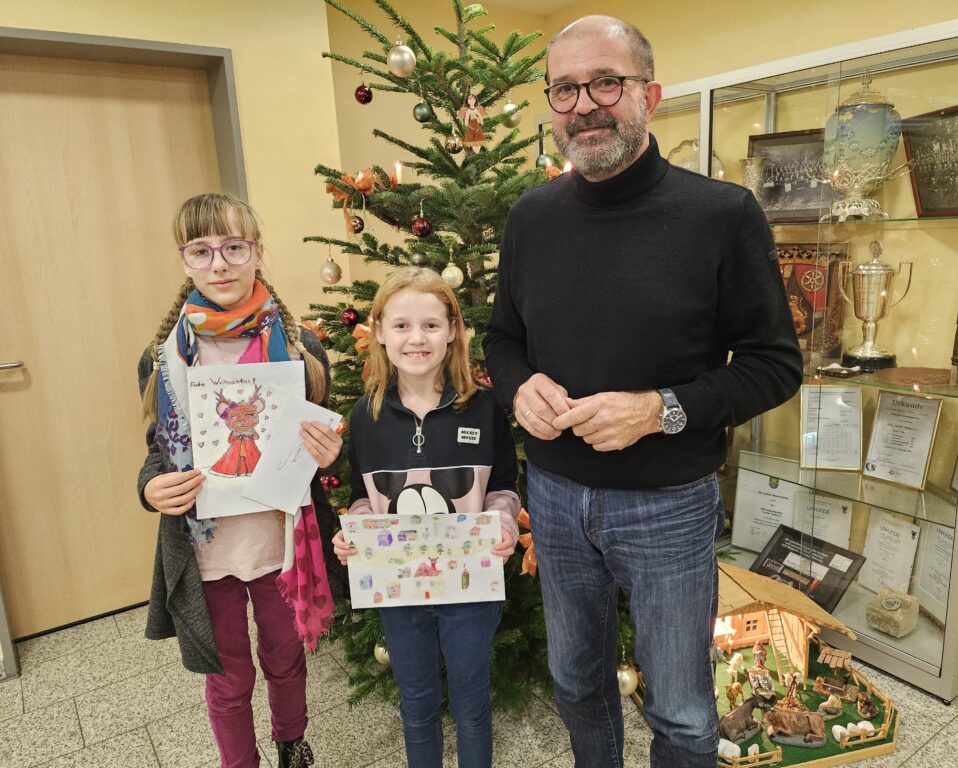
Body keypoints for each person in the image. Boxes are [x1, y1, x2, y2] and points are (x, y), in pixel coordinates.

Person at [483, 15, 802, 768]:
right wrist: (518, 386)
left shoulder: (722, 216)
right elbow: (502, 341)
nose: (584, 105)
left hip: (671, 504)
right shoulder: (530, 218)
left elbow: (774, 363)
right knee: (575, 682)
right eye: (565, 88)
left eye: (606, 82)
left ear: (650, 95)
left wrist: (661, 410)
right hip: (556, 499)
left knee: (684, 712)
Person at [137, 193, 348, 768]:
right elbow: (156, 454)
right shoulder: (163, 358)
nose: (220, 264)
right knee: (227, 677)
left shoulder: (301, 348)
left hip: (279, 541)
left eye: (234, 247)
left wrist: (327, 455)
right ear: (184, 260)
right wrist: (151, 489)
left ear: (256, 251)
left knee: (285, 658)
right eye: (201, 251)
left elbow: (320, 440)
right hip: (206, 550)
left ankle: (290, 742)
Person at [331, 267, 519, 768]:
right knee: (416, 707)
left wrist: (501, 521)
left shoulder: (483, 409)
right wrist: (354, 533)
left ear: (453, 329)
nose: (417, 339)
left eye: (431, 325)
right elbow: (361, 499)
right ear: (379, 332)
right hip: (400, 593)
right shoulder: (364, 416)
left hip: (470, 592)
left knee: (472, 706)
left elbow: (504, 487)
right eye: (401, 326)